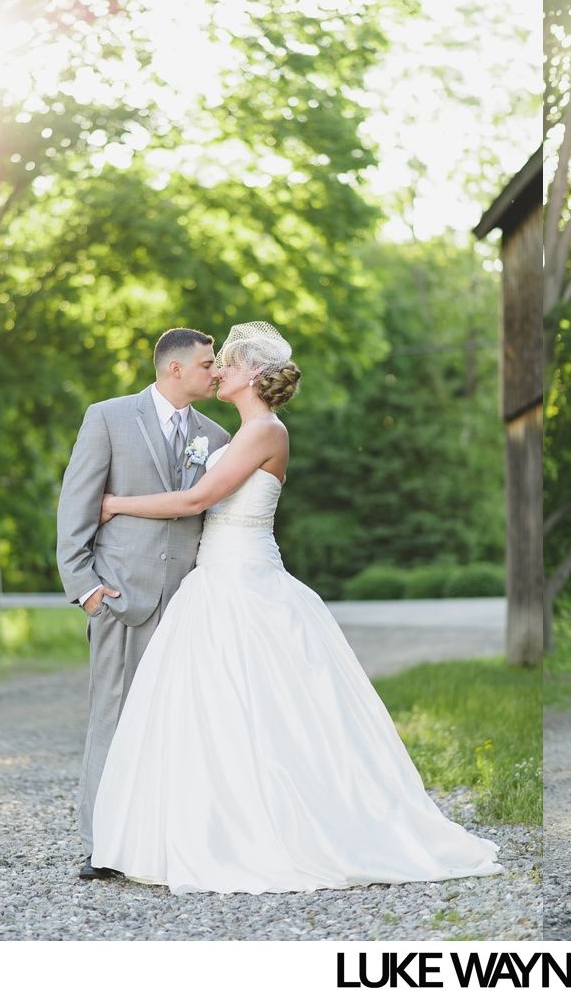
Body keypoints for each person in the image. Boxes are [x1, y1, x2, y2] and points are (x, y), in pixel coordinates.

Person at [87, 322, 500, 894]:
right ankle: (204, 827)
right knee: (212, 711)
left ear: (254, 373)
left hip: (243, 579)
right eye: (215, 363)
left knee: (261, 707)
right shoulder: (240, 432)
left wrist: (114, 503)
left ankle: (270, 832)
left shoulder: (265, 432)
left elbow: (198, 499)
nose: (218, 371)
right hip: (216, 577)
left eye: (228, 363)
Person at [56, 328, 231, 880]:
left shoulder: (216, 435)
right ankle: (101, 845)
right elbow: (77, 503)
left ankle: (160, 838)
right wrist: (86, 588)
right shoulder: (107, 417)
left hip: (187, 602)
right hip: (120, 595)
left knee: (177, 721)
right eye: (207, 364)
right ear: (175, 368)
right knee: (113, 715)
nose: (215, 373)